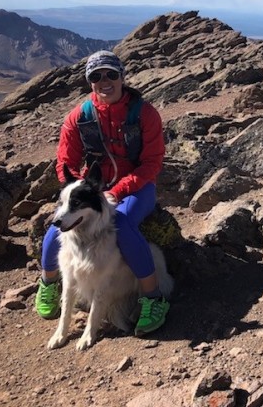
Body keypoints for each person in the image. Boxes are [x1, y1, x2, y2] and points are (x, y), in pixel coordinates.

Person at [35, 50, 170, 336]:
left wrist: (118, 191)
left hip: (137, 187)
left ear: (122, 76)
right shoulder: (79, 117)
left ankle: (153, 297)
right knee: (55, 232)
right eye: (96, 76)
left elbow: (152, 162)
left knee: (121, 223)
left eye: (110, 73)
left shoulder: (144, 113)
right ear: (89, 82)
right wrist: (78, 187)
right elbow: (66, 162)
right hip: (94, 186)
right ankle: (48, 284)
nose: (104, 81)